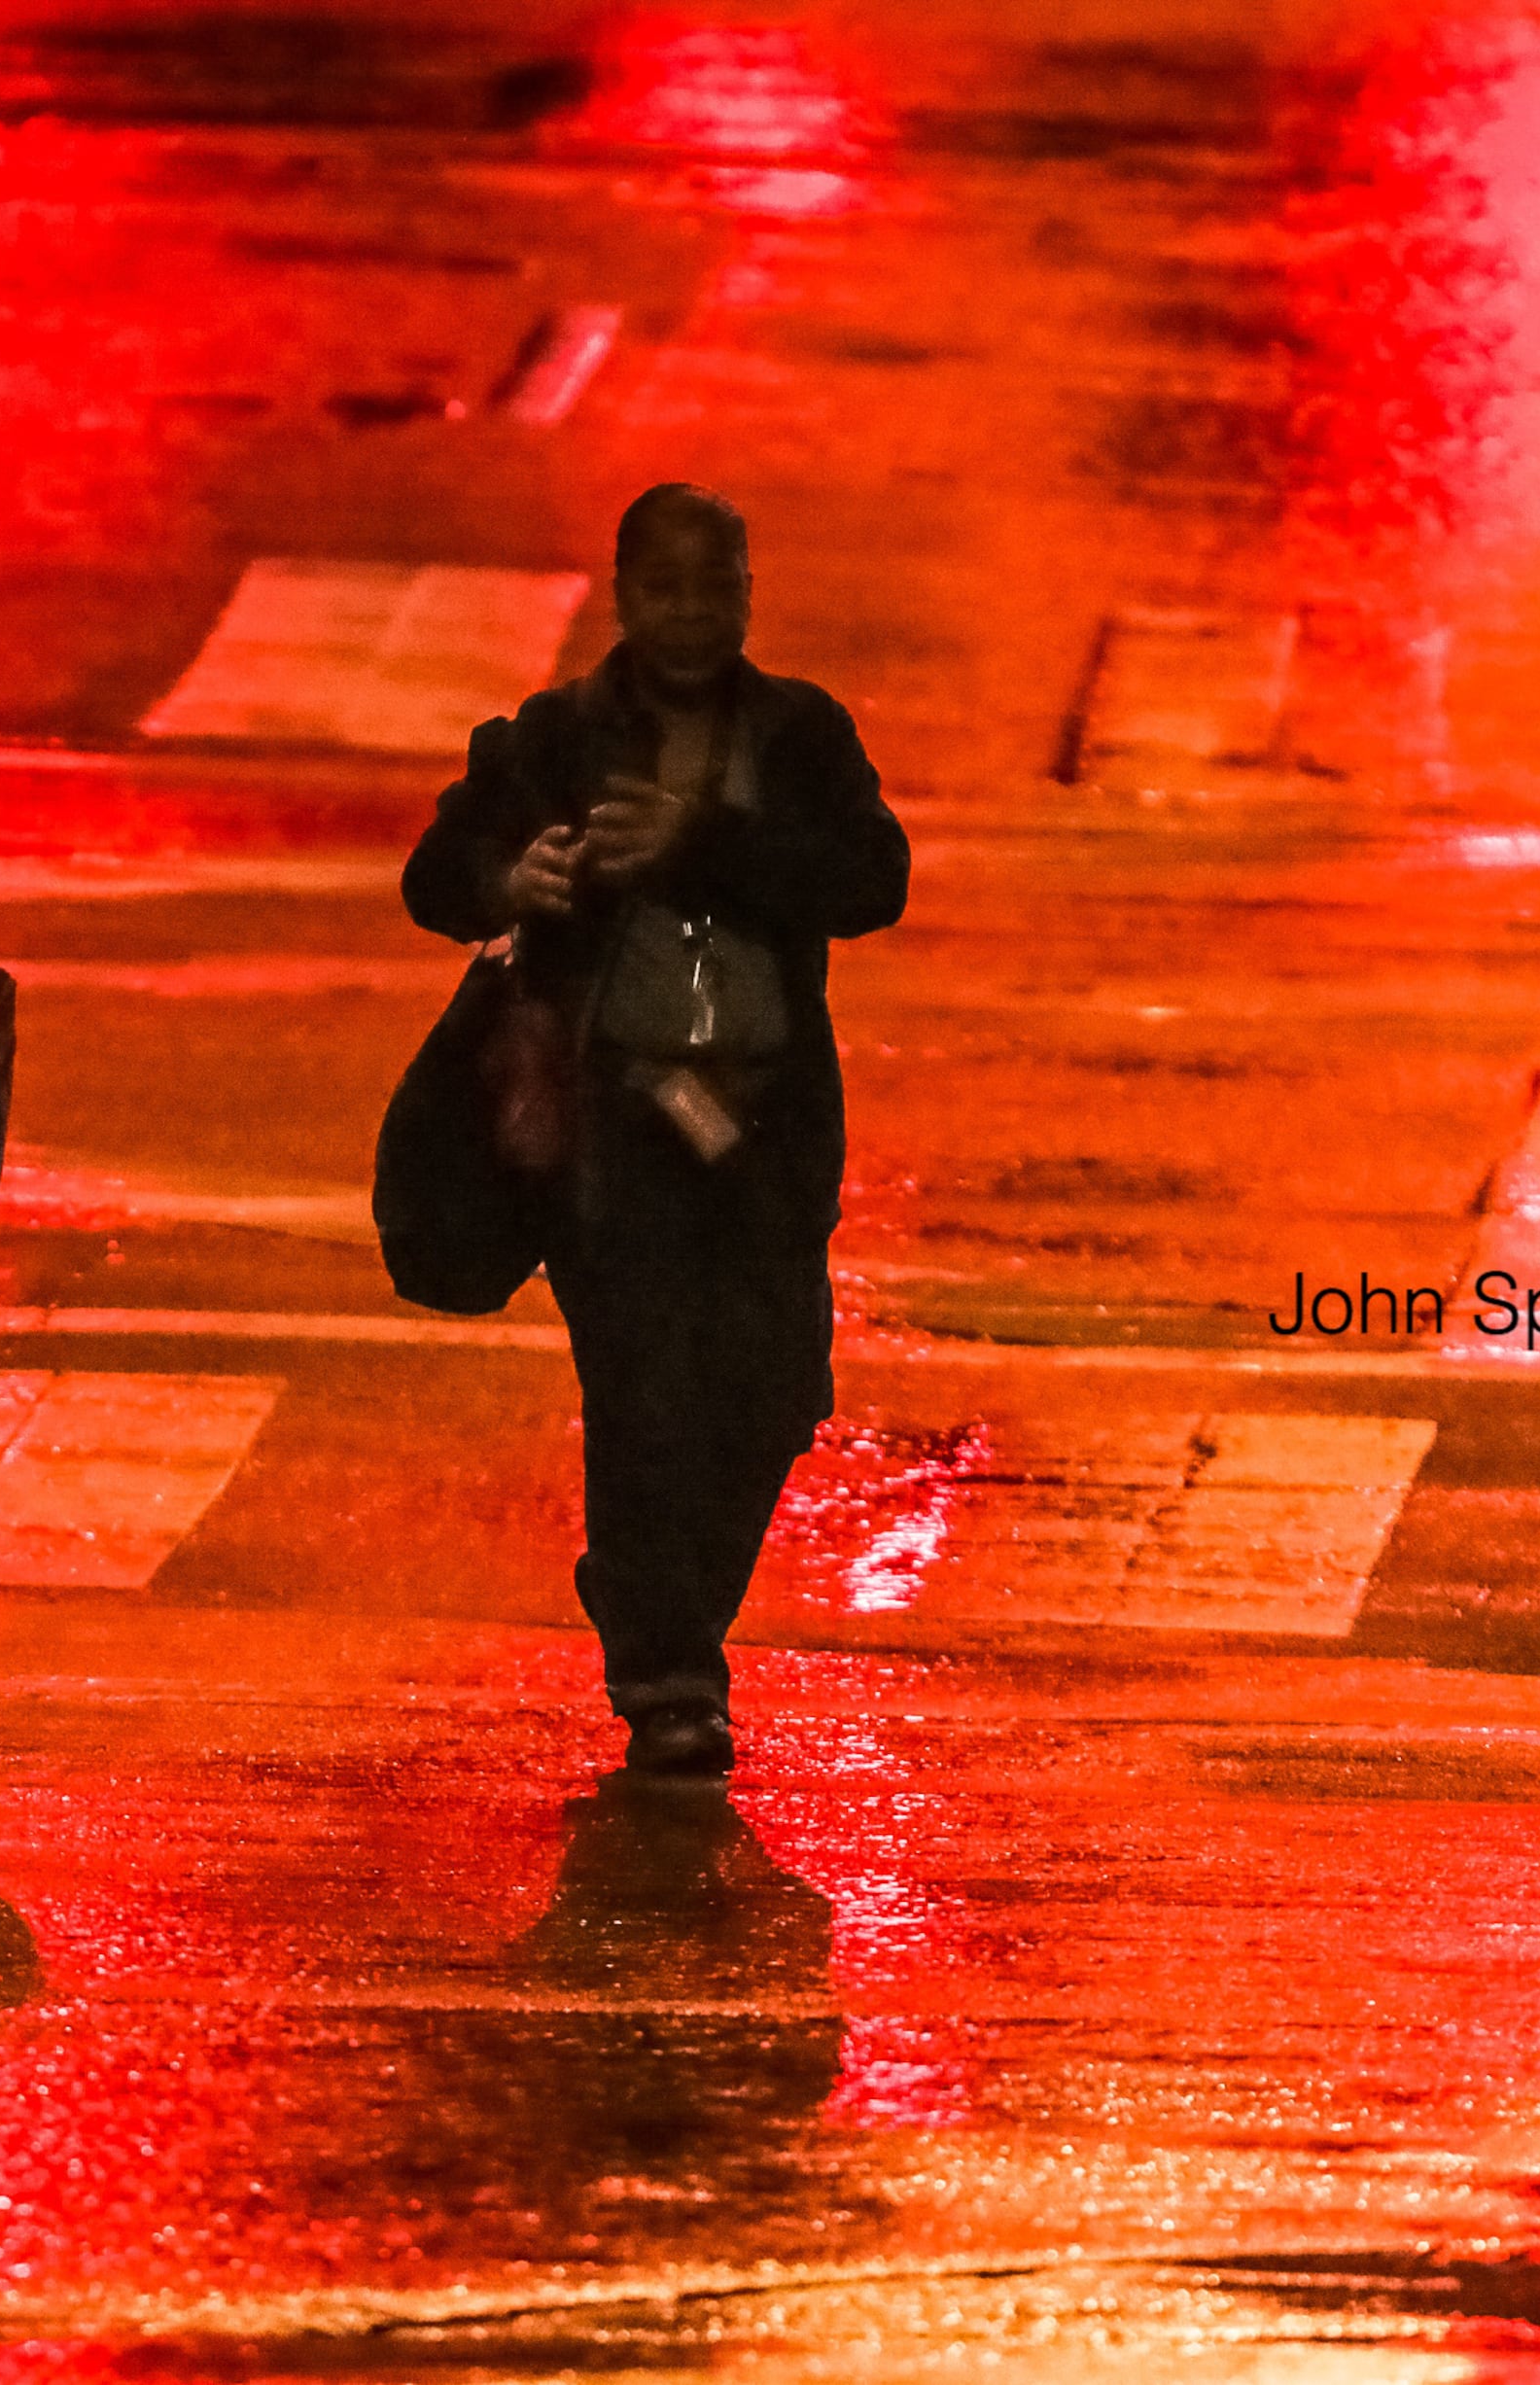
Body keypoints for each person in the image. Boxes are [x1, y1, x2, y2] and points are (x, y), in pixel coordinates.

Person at [402, 485, 908, 1775]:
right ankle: (668, 1672)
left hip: (764, 1126)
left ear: (748, 592)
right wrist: (512, 879)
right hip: (608, 1128)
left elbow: (869, 878)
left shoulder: (801, 735)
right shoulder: (557, 738)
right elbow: (437, 872)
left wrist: (705, 841)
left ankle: (652, 1592)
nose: (691, 614)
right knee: (641, 1395)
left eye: (715, 587)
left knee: (771, 1393)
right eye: (665, 589)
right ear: (623, 595)